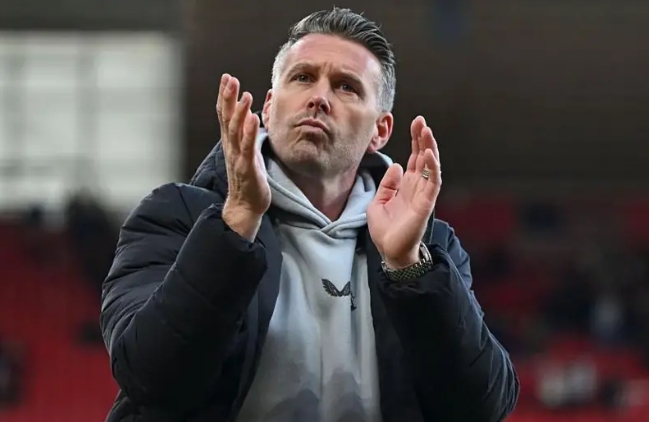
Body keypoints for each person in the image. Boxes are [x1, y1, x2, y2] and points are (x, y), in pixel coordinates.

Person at [100, 8, 518, 422]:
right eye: (302, 77)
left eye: (346, 87)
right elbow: (149, 377)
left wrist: (408, 270)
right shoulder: (178, 216)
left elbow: (482, 408)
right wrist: (236, 224)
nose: (319, 98)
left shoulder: (428, 247)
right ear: (269, 106)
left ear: (380, 130)